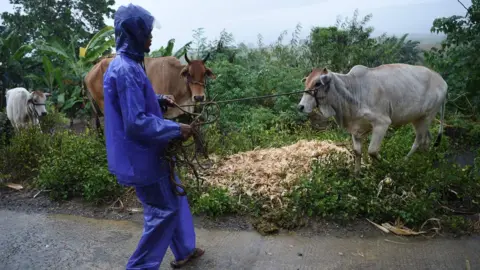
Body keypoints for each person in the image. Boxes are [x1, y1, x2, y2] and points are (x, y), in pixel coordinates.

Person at [102, 4, 205, 269]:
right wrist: (175, 129)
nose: (150, 37)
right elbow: (135, 123)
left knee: (175, 197)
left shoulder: (132, 65)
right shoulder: (125, 70)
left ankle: (185, 250)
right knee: (162, 212)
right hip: (142, 156)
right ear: (133, 35)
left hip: (153, 151)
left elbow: (136, 103)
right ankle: (139, 267)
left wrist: (158, 99)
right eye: (146, 33)